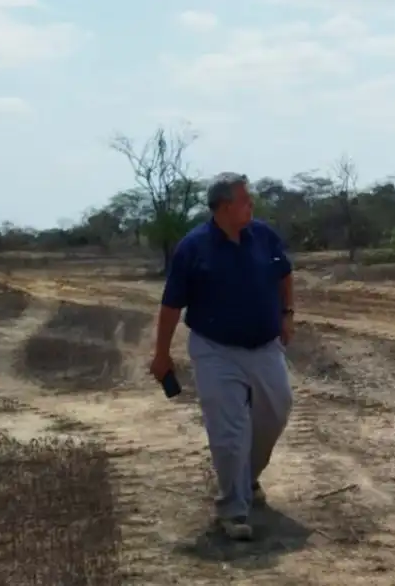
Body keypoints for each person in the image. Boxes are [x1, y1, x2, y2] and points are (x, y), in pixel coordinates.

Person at [150, 172, 295, 541]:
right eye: (246, 200)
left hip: (264, 346)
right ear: (226, 206)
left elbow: (284, 273)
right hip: (215, 350)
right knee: (229, 430)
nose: (253, 206)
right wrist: (161, 355)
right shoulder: (193, 247)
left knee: (276, 412)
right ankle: (233, 508)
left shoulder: (264, 236)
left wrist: (287, 314)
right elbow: (171, 305)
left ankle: (246, 477)